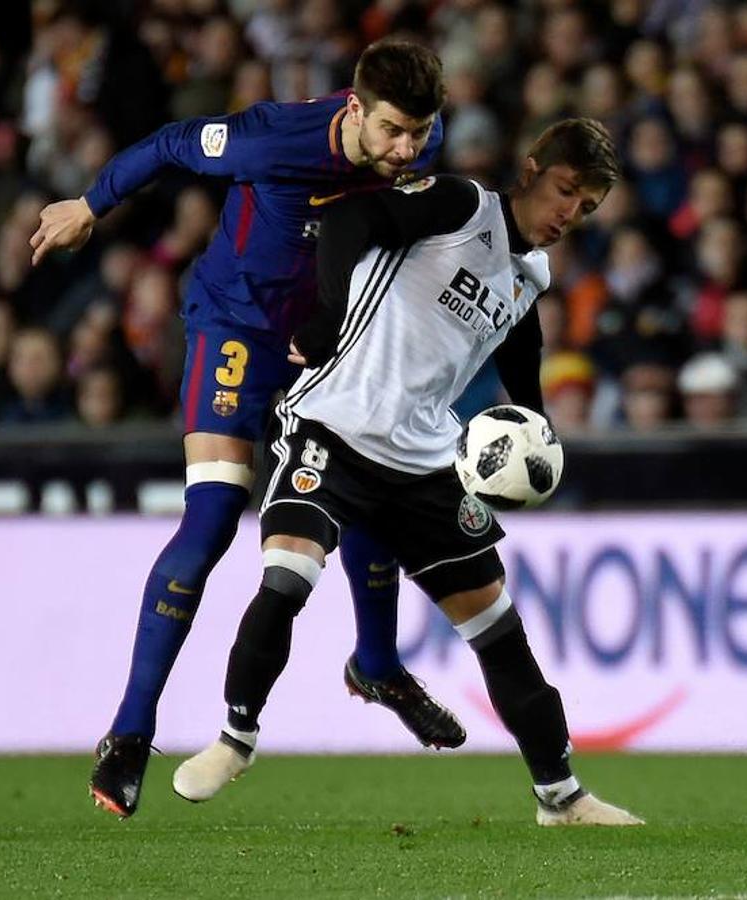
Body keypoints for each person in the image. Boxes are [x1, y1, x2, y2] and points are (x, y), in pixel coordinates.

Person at [29, 40, 464, 819]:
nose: (408, 149)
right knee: (214, 517)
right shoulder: (275, 136)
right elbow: (170, 144)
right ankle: (130, 732)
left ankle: (377, 663)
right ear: (356, 109)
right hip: (237, 327)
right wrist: (88, 208)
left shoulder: (422, 142)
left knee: (366, 494)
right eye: (394, 130)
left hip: (327, 340)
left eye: (420, 132)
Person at [173, 118, 642, 827]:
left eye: (587, 207)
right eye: (565, 191)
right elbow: (351, 219)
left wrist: (536, 419)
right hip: (333, 425)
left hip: (423, 461)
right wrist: (329, 313)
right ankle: (235, 739)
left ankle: (562, 797)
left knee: (497, 628)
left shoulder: (531, 272)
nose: (568, 214)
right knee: (287, 578)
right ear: (532, 167)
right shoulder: (458, 206)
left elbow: (520, 330)